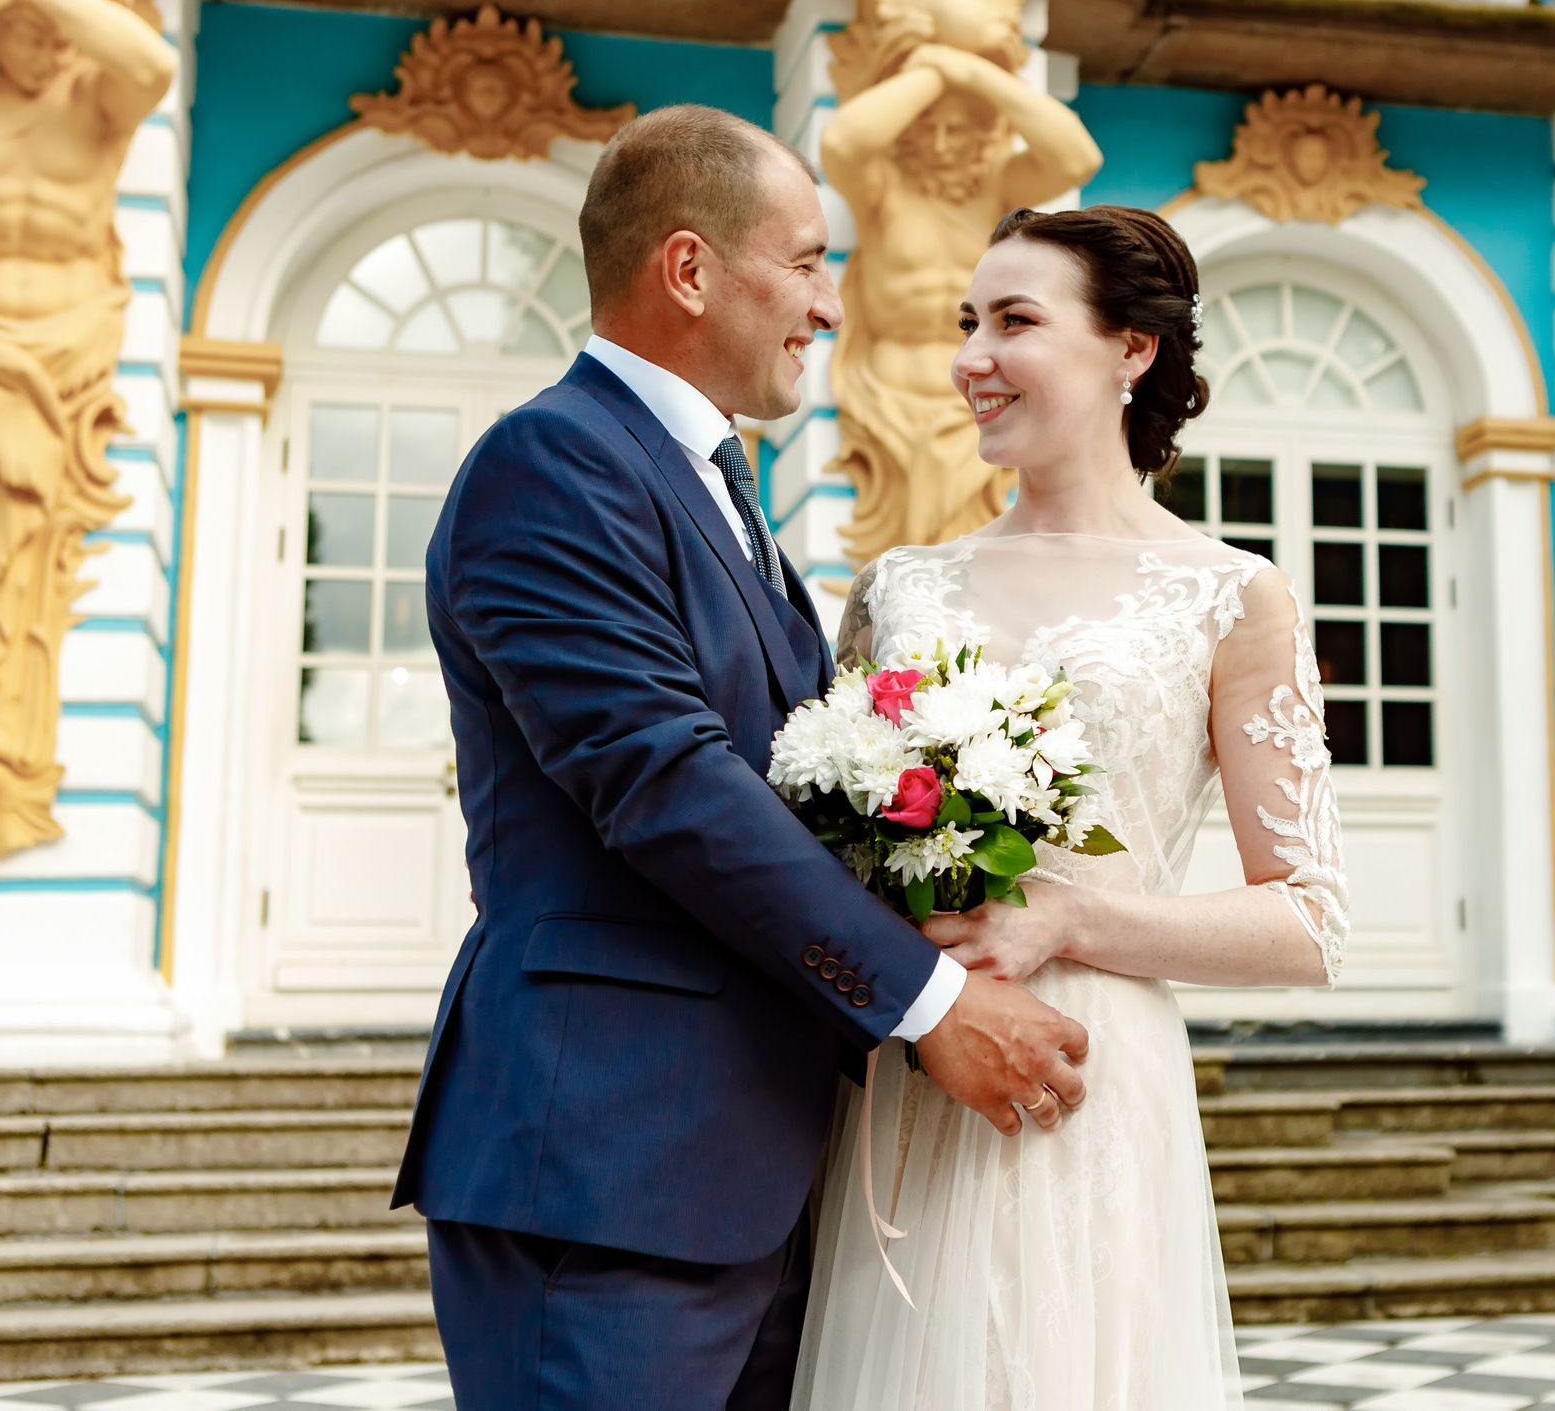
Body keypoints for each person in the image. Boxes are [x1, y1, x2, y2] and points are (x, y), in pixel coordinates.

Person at [391, 105, 1093, 1411]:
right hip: (609, 1159)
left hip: (754, 1164)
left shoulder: (716, 481)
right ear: (691, 268)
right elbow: (661, 777)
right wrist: (930, 1005)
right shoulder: (552, 462)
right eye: (809, 262)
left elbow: (795, 788)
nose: (832, 307)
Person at [792, 205, 1351, 1411]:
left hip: (1090, 1084)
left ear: (1130, 350)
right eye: (966, 324)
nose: (970, 358)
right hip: (916, 1066)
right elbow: (822, 855)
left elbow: (1309, 924)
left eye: (1015, 322)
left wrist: (1068, 920)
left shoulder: (1233, 596)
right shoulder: (897, 589)